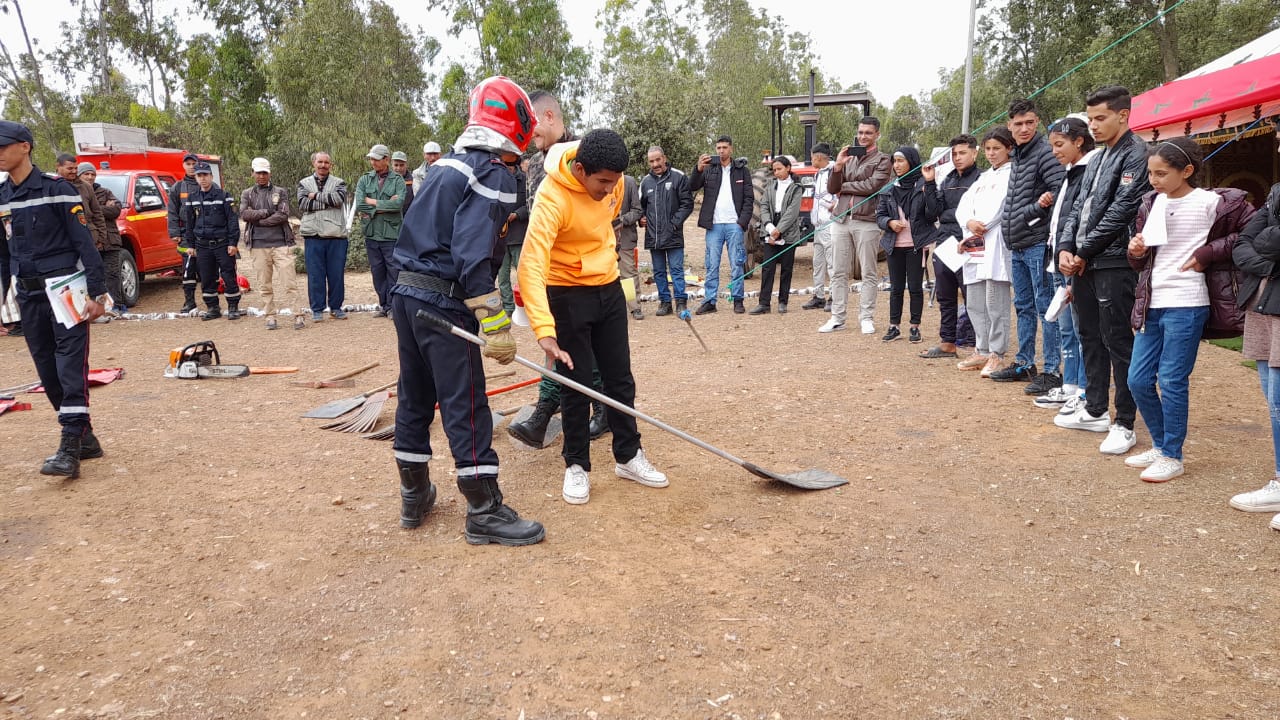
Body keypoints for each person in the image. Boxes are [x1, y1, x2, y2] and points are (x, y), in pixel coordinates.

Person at [389, 75, 544, 546]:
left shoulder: (446, 166)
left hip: (406, 294)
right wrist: (495, 323)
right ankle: (484, 507)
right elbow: (473, 255)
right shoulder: (492, 173)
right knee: (466, 400)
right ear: (513, 128)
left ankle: (414, 495)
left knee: (414, 394)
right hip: (443, 302)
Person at [519, 128, 669, 505]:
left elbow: (610, 213)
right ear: (581, 169)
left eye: (614, 183)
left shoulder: (611, 183)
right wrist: (544, 329)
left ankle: (628, 455)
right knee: (577, 384)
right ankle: (576, 466)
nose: (609, 191)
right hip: (567, 294)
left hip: (609, 287)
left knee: (620, 378)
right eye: (602, 182)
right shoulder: (551, 198)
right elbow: (531, 265)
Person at [1124, 137, 1255, 482]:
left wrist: (1207, 253)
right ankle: (1159, 442)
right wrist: (1136, 250)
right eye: (1150, 173)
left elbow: (1248, 233)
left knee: (1171, 379)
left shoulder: (1213, 203)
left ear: (1187, 171)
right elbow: (1141, 262)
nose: (1154, 180)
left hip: (1188, 302)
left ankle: (1172, 454)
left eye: (1161, 173)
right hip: (1151, 301)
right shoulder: (1150, 203)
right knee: (1137, 379)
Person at [0, 120, 109, 478]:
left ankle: (69, 444)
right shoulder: (2, 197)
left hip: (65, 289)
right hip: (28, 293)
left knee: (68, 364)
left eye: (3, 146)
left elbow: (84, 243)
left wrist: (98, 292)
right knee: (47, 368)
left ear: (25, 146)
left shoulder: (57, 188)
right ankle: (85, 436)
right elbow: (3, 255)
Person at [1054, 86, 1152, 456]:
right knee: (1088, 335)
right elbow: (1076, 208)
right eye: (1090, 118)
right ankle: (1094, 408)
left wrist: (1082, 249)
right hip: (1084, 260)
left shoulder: (1137, 155)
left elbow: (1122, 211)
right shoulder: (1094, 159)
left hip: (1114, 260)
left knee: (1117, 339)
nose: (1093, 125)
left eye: (1100, 118)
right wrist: (1066, 246)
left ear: (1123, 116)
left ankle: (1124, 421)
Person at [507, 90, 608, 446]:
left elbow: (603, 213)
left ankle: (546, 411)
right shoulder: (535, 163)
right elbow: (536, 216)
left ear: (549, 117)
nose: (528, 138)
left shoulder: (586, 155)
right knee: (563, 342)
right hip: (546, 268)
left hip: (583, 271)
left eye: (532, 129)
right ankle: (597, 407)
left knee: (574, 342)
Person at [993, 99, 1066, 393]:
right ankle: (1025, 363)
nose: (1024, 128)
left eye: (1030, 123)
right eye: (1018, 123)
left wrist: (1035, 211)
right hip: (1018, 242)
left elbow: (1060, 190)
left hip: (1037, 242)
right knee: (1023, 305)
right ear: (1009, 124)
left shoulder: (1044, 153)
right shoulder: (1020, 155)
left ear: (1037, 123)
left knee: (1045, 306)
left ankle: (1052, 370)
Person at [1228, 149, 1280, 532]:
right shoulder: (1277, 191)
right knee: (1271, 396)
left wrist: (1265, 243)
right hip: (1263, 302)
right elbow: (1242, 243)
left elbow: (1264, 237)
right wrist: (1270, 262)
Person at [1035, 117, 1098, 412]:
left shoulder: (1092, 172)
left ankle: (1086, 390)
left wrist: (1073, 250)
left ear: (1079, 141)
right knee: (1067, 328)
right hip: (1059, 259)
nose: (1054, 152)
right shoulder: (1069, 172)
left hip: (1075, 261)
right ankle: (1070, 384)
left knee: (1082, 329)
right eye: (1052, 146)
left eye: (1059, 145)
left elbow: (1083, 218)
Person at [821, 117, 893, 334]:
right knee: (838, 271)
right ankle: (837, 317)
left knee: (868, 271)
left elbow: (873, 186)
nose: (863, 136)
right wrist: (838, 167)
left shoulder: (883, 159)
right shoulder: (848, 158)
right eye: (861, 132)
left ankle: (866, 317)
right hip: (841, 219)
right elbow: (833, 189)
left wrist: (846, 186)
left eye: (868, 133)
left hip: (867, 220)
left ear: (877, 135)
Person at [955, 127, 1015, 377]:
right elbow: (964, 205)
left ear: (1008, 149)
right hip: (974, 242)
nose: (991, 154)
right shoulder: (983, 177)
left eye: (997, 149)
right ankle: (981, 347)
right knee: (976, 300)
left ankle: (997, 353)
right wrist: (969, 224)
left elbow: (1002, 206)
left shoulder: (1012, 173)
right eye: (988, 149)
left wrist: (984, 225)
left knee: (995, 302)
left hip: (995, 241)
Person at [919, 134, 981, 357]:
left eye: (962, 153)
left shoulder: (981, 178)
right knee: (945, 294)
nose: (957, 157)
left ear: (975, 152)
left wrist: (951, 214)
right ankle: (948, 342)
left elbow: (975, 211)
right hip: (945, 241)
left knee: (971, 294)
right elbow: (933, 211)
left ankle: (978, 345)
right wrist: (929, 182)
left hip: (968, 242)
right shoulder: (947, 180)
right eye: (954, 153)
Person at [690, 135, 753, 315]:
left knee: (737, 263)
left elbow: (749, 199)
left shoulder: (742, 170)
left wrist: (742, 222)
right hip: (714, 225)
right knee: (712, 264)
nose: (721, 151)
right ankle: (710, 301)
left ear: (731, 149)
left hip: (734, 224)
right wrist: (698, 169)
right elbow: (692, 186)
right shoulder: (709, 169)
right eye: (718, 148)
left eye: (724, 147)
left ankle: (738, 300)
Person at [875, 146, 932, 342]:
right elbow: (880, 216)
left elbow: (932, 214)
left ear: (912, 162)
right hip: (893, 245)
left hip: (916, 245)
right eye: (895, 161)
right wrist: (889, 223)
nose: (896, 165)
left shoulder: (924, 185)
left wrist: (930, 188)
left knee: (916, 287)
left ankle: (914, 327)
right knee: (896, 288)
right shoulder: (889, 188)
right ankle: (894, 326)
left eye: (901, 161)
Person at [240, 157, 300, 329]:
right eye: (258, 172)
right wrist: (266, 212)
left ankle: (297, 314)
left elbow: (283, 214)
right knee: (264, 284)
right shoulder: (247, 193)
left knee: (289, 282)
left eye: (264, 172)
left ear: (269, 173)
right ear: (252, 173)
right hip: (258, 244)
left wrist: (259, 219)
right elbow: (244, 214)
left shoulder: (280, 192)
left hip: (281, 242)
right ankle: (270, 316)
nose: (261, 176)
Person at [183, 162, 241, 320]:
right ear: (195, 177)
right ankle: (213, 307)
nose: (202, 179)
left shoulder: (224, 196)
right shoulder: (192, 198)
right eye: (199, 175)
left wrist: (233, 243)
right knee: (207, 277)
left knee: (229, 275)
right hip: (202, 245)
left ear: (211, 176)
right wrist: (190, 245)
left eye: (205, 175)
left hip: (222, 243)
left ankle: (233, 306)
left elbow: (232, 221)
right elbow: (189, 223)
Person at [639, 145, 693, 317]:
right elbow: (640, 208)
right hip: (653, 236)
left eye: (658, 159)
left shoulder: (679, 177)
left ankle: (681, 302)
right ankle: (665, 303)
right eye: (651, 161)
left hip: (673, 235)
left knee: (676, 270)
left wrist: (673, 224)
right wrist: (641, 220)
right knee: (658, 272)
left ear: (664, 158)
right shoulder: (645, 182)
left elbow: (687, 204)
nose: (655, 164)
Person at [354, 144, 405, 317]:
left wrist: (373, 202)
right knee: (377, 271)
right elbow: (360, 204)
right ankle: (384, 305)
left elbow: (398, 204)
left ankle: (393, 306)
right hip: (371, 233)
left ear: (386, 160)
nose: (373, 162)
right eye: (371, 159)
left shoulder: (398, 180)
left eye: (376, 159)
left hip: (391, 234)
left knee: (393, 271)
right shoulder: (364, 180)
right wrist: (385, 205)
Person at [297, 151, 349, 322]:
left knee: (336, 274)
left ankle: (336, 307)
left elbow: (338, 200)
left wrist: (315, 197)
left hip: (336, 235)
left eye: (326, 162)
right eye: (320, 162)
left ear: (330, 165)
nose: (323, 165)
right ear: (314, 163)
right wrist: (327, 201)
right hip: (313, 235)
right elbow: (303, 203)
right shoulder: (303, 183)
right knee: (315, 275)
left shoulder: (339, 182)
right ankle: (317, 309)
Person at [751, 155, 803, 314]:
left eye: (779, 169)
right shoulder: (770, 186)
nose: (777, 172)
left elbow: (791, 213)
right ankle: (764, 303)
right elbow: (764, 207)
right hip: (770, 227)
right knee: (768, 267)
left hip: (788, 231)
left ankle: (783, 301)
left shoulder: (796, 188)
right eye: (774, 170)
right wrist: (769, 226)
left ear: (788, 168)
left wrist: (778, 231)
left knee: (786, 268)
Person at [77, 163, 126, 316]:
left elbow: (116, 210)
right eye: (86, 174)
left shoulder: (105, 192)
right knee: (92, 274)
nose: (90, 177)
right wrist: (100, 207)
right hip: (89, 241)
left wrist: (93, 208)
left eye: (92, 174)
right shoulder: (75, 192)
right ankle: (95, 308)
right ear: (79, 176)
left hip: (110, 241)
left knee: (112, 274)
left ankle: (116, 306)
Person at [802, 143, 836, 311]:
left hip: (830, 224)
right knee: (818, 263)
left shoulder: (834, 171)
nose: (811, 160)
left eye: (812, 156)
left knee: (832, 263)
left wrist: (834, 206)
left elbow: (839, 194)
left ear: (819, 157)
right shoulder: (817, 175)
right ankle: (819, 295)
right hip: (818, 225)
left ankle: (834, 297)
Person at [167, 153, 201, 313]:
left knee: (208, 270)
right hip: (186, 233)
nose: (192, 166)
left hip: (206, 233)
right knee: (189, 269)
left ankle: (212, 303)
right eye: (188, 164)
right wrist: (174, 232)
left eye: (194, 163)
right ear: (183, 166)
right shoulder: (178, 188)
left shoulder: (209, 185)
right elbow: (172, 211)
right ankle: (189, 302)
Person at [496, 160, 528, 315]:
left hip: (519, 236)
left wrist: (517, 214)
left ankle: (526, 307)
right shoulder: (496, 178)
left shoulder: (526, 179)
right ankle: (509, 307)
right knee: (502, 276)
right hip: (500, 238)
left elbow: (532, 204)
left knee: (524, 275)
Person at [614, 173, 643, 319]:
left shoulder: (629, 181)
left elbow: (637, 210)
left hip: (624, 237)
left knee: (628, 275)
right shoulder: (594, 179)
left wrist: (620, 221)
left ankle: (634, 307)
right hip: (600, 239)